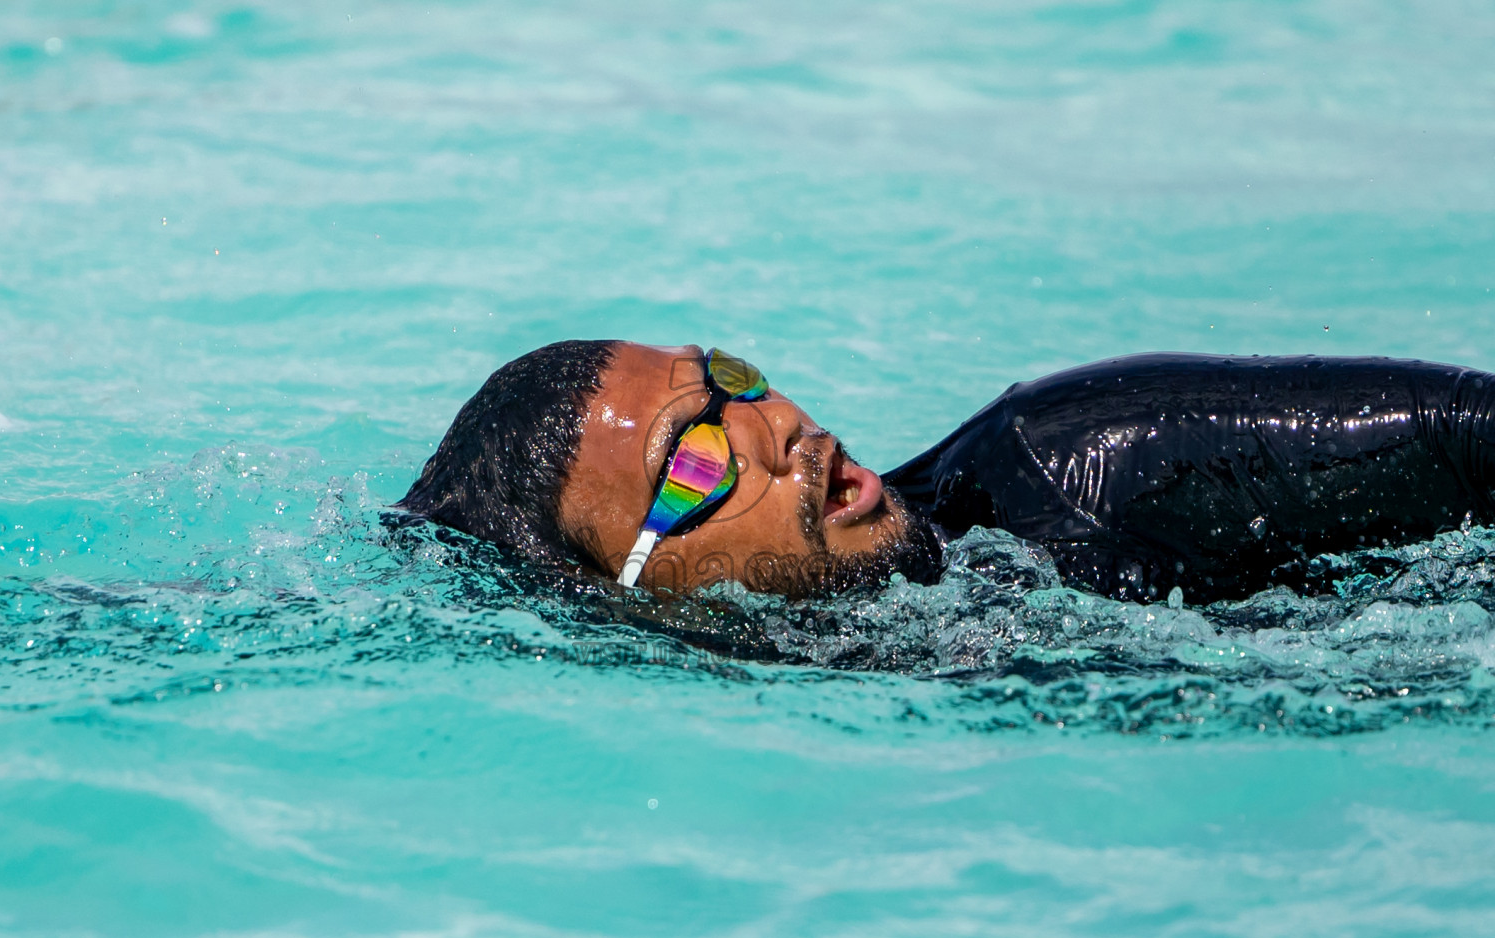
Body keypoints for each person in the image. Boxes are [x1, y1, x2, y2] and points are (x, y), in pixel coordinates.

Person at [398, 341, 1495, 604]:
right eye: (693, 457)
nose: (783, 428)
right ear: (624, 590)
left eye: (732, 379)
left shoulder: (1075, 461)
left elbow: (1468, 429)